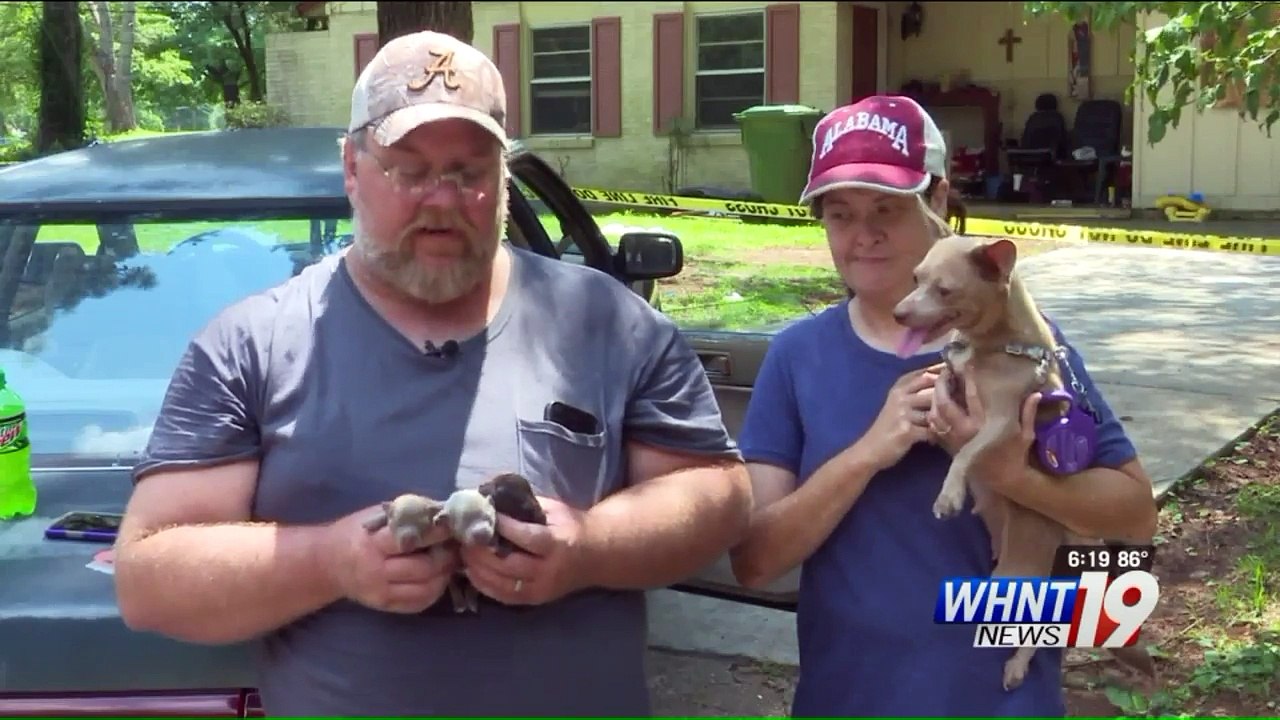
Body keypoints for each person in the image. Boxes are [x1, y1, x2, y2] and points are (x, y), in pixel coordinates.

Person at [113, 30, 751, 717]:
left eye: (470, 172)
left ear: (503, 177)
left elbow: (719, 495)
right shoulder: (251, 345)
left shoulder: (608, 323)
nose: (442, 200)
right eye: (409, 171)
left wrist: (590, 548)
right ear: (351, 168)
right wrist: (330, 561)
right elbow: (150, 579)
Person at [727, 95, 1157, 717]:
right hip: (849, 700)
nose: (862, 235)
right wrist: (869, 453)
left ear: (938, 204)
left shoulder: (1030, 349)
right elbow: (755, 560)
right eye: (839, 214)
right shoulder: (799, 355)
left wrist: (1010, 475)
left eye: (887, 209)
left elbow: (1133, 522)